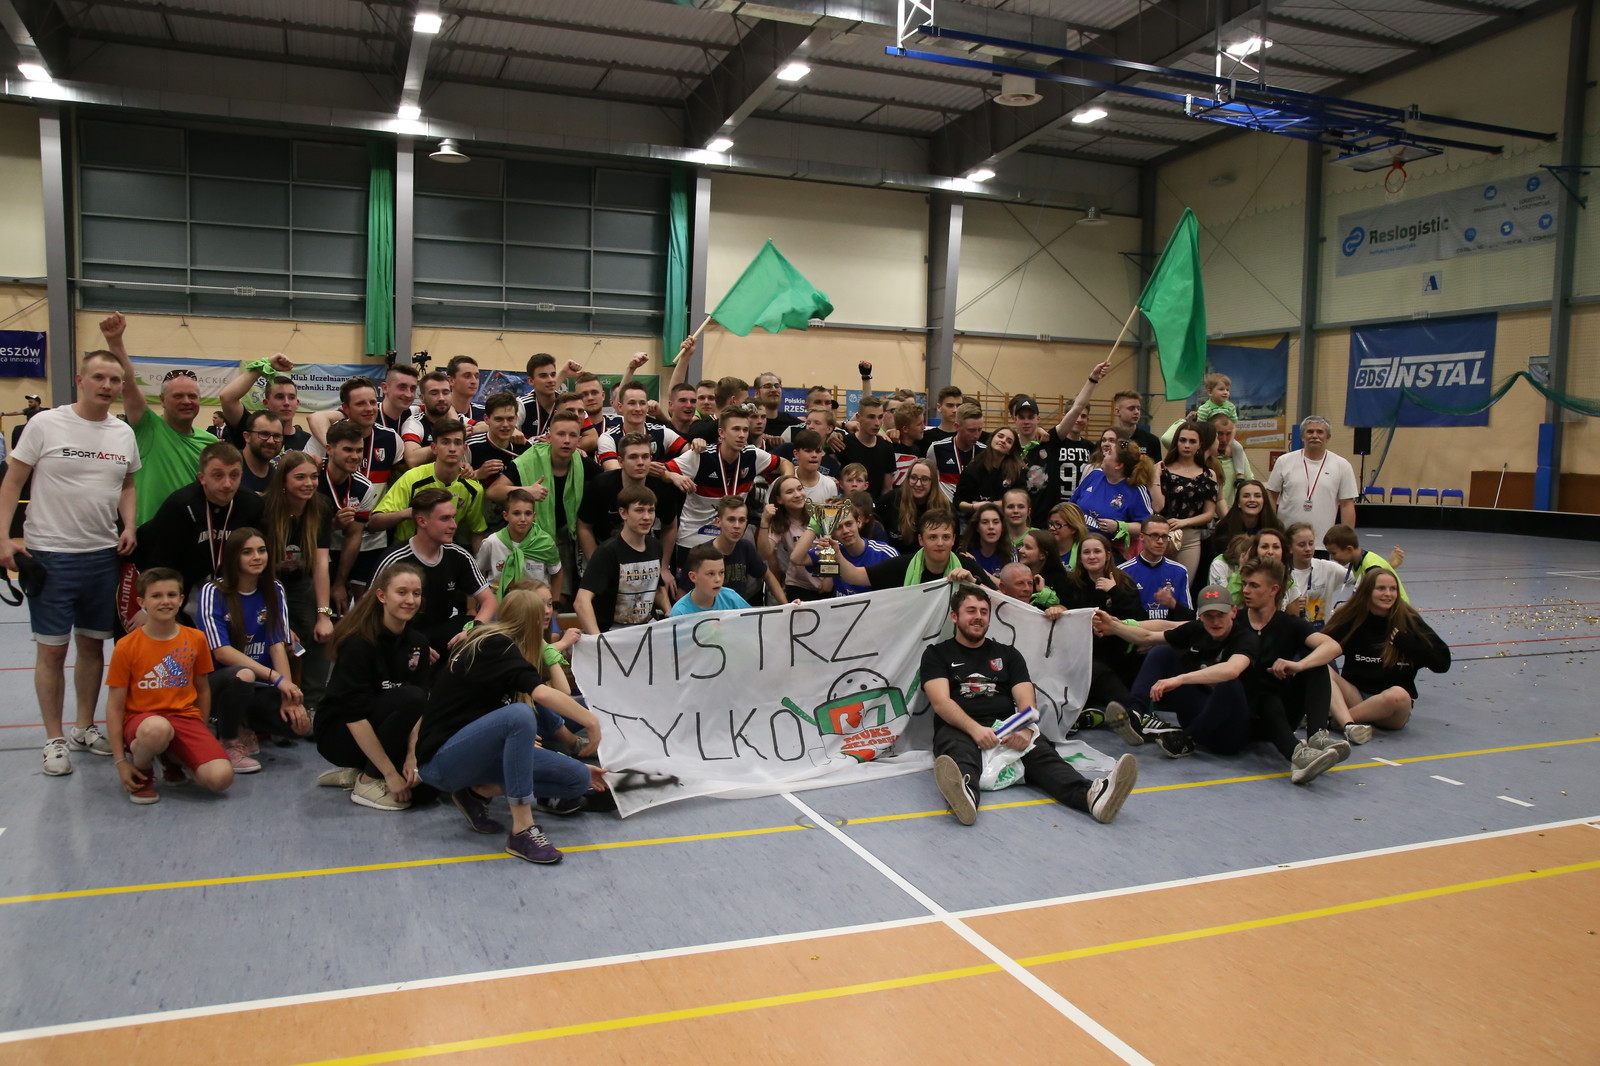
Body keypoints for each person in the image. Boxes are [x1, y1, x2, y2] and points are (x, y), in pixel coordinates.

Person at [0, 347, 139, 776]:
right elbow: (13, 482)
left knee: (93, 646)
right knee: (52, 651)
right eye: (99, 377)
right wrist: (2, 538)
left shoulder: (123, 432)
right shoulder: (45, 424)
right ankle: (54, 738)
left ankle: (83, 728)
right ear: (80, 381)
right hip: (50, 555)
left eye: (114, 380)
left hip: (102, 556)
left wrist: (129, 525)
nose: (107, 386)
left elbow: (128, 484)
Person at [415, 589, 608, 864]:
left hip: (476, 755)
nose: (548, 614)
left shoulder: (511, 650)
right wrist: (591, 721)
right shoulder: (494, 643)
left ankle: (476, 793)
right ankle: (522, 830)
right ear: (532, 621)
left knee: (577, 778)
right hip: (441, 762)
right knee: (519, 715)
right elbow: (542, 694)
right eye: (543, 611)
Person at [924, 584, 1137, 826]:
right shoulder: (937, 654)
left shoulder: (1008, 654)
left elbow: (1027, 700)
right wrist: (975, 730)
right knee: (958, 752)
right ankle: (965, 795)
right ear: (955, 616)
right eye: (971, 611)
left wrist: (1024, 729)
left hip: (1006, 725)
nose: (978, 617)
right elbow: (941, 702)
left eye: (984, 612)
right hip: (960, 727)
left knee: (1043, 755)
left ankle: (1092, 797)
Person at [105, 567, 232, 803]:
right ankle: (142, 769)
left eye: (171, 595)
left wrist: (201, 729)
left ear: (181, 599)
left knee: (220, 778)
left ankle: (170, 758)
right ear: (142, 602)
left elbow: (202, 689)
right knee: (157, 730)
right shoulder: (126, 646)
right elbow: (114, 706)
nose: (165, 601)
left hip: (184, 718)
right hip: (143, 722)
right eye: (156, 596)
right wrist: (120, 761)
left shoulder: (195, 639)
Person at [314, 562, 431, 811]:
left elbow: (420, 709)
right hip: (340, 733)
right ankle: (367, 780)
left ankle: (357, 772)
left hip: (382, 725)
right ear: (381, 596)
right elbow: (354, 716)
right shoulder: (359, 643)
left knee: (425, 791)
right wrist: (389, 773)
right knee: (411, 697)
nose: (410, 600)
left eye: (416, 593)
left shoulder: (418, 643)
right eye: (401, 592)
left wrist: (413, 756)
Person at [1102, 583, 1258, 758]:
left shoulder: (1246, 638)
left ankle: (1186, 738)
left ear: (1233, 612)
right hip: (1196, 713)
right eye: (1209, 616)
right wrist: (1114, 627)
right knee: (1162, 651)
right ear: (1200, 616)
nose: (1215, 622)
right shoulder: (1197, 630)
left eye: (1220, 615)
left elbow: (1232, 670)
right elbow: (1148, 636)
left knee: (1229, 684)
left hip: (1229, 732)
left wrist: (1180, 679)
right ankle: (1136, 715)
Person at [197, 527, 308, 773]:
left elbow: (277, 645)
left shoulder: (274, 589)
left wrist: (289, 696)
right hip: (220, 682)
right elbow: (221, 652)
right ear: (233, 557)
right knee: (242, 676)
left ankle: (245, 722)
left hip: (261, 683)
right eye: (247, 552)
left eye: (261, 550)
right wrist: (276, 678)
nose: (257, 557)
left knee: (297, 726)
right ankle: (229, 741)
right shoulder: (213, 591)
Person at [1233, 557, 1349, 783]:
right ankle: (1297, 754)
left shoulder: (1289, 623)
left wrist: (1298, 665)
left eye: (1254, 585)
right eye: (1245, 584)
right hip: (1248, 712)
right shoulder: (1234, 621)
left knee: (1316, 665)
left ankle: (1317, 737)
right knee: (1264, 692)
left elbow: (1332, 647)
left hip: (1283, 713)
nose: (1246, 590)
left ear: (1273, 590)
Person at [98, 313, 209, 525]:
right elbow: (128, 382)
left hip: (193, 534)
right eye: (178, 396)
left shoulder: (209, 442)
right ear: (162, 400)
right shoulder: (147, 426)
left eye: (192, 396)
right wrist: (115, 341)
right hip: (148, 533)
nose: (186, 401)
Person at [136, 441, 265, 619]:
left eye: (234, 475)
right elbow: (161, 564)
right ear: (202, 477)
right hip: (181, 582)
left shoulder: (252, 504)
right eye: (218, 475)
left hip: (228, 584)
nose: (227, 484)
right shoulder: (180, 505)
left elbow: (258, 557)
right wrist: (148, 609)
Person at [1323, 569, 1449, 743]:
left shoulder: (1409, 620)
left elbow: (1443, 663)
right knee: (1321, 668)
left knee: (1399, 695)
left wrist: (1408, 644)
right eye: (1381, 588)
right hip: (1356, 696)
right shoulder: (1352, 619)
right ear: (1367, 591)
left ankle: (1336, 721)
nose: (1388, 594)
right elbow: (1319, 645)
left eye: (1393, 589)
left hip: (1391, 709)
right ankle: (1349, 724)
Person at [375, 488, 497, 655]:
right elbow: (370, 612)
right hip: (402, 635)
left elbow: (489, 601)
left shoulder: (458, 555)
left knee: (481, 631)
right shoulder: (395, 559)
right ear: (422, 521)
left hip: (441, 632)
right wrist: (413, 643)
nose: (454, 525)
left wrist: (472, 630)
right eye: (445, 519)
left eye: (453, 517)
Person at [661, 406, 786, 563]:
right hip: (695, 538)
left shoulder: (752, 455)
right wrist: (673, 476)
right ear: (721, 433)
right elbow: (661, 471)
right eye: (736, 429)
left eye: (745, 430)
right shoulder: (700, 456)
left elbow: (784, 463)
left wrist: (784, 485)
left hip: (730, 537)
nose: (741, 435)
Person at [262, 451, 335, 707]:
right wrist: (282, 623)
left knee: (321, 632)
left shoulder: (321, 507)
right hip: (267, 584)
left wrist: (324, 615)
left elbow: (321, 564)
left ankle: (313, 703)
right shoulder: (265, 509)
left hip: (300, 582)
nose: (309, 483)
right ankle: (274, 703)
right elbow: (261, 569)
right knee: (278, 638)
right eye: (300, 477)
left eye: (314, 477)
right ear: (283, 480)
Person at [504, 409, 594, 605]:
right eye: (561, 434)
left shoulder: (582, 462)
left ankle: (557, 611)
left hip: (565, 536)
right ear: (549, 437)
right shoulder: (529, 460)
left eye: (572, 435)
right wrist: (526, 490)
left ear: (579, 440)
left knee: (560, 596)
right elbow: (494, 491)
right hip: (527, 534)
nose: (566, 440)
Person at [1071, 532, 1146, 743]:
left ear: (1108, 555)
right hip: (1088, 656)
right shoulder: (1073, 585)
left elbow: (1140, 619)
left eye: (1097, 551)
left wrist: (1114, 592)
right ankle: (1132, 715)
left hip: (1120, 653)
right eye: (1086, 552)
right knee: (1095, 668)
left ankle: (1122, 714)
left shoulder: (1124, 583)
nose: (1092, 556)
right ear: (1080, 557)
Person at [371, 418, 488, 549]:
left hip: (444, 551)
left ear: (464, 448)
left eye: (457, 443)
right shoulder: (413, 478)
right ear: (434, 448)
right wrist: (409, 513)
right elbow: (375, 522)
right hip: (405, 551)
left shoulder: (473, 488)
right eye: (445, 442)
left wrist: (479, 561)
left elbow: (477, 531)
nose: (452, 449)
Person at [579, 432, 682, 578]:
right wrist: (596, 565)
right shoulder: (601, 485)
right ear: (621, 461)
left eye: (645, 457)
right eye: (633, 457)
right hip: (602, 547)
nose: (640, 462)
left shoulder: (661, 488)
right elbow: (584, 526)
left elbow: (670, 526)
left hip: (642, 549)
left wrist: (663, 567)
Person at [1023, 361, 1110, 526]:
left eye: (1084, 416)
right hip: (1047, 510)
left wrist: (1093, 379)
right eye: (1021, 418)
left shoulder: (1090, 447)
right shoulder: (1048, 441)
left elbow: (1078, 407)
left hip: (1078, 510)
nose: (1079, 419)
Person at [575, 484, 668, 633]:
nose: (647, 517)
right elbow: (581, 601)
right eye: (639, 510)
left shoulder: (656, 546)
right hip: (614, 633)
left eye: (651, 510)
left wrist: (670, 614)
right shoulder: (607, 552)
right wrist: (598, 640)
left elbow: (657, 588)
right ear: (623, 513)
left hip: (648, 631)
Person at [826, 511, 993, 590]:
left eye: (946, 537)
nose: (940, 543)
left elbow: (1000, 599)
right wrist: (837, 553)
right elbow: (854, 576)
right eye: (932, 537)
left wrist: (973, 582)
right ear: (921, 540)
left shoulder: (966, 565)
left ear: (954, 539)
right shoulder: (902, 566)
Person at [319, 419, 385, 608]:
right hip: (306, 552)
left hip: (339, 553)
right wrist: (332, 525)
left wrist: (340, 583)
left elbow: (354, 535)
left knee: (339, 609)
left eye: (359, 450)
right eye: (348, 450)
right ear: (329, 449)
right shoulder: (313, 478)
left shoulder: (364, 487)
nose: (355, 456)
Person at [1265, 415, 1358, 547]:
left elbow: (1347, 504)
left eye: (1320, 432)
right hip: (1287, 541)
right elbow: (1271, 495)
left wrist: (1347, 540)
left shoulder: (1342, 465)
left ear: (1328, 437)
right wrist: (1271, 530)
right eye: (1310, 432)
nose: (1315, 435)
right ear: (1302, 436)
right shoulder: (1284, 461)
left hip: (1323, 543)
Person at [306, 376, 404, 490]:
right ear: (345, 408)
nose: (369, 408)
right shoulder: (328, 436)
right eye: (360, 403)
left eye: (373, 402)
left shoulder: (391, 439)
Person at [1151, 421, 1218, 582]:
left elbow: (1209, 514)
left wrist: (1184, 522)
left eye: (1192, 441)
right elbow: (1157, 506)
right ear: (1176, 442)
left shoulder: (1209, 474)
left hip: (1191, 538)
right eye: (1183, 440)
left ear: (1200, 445)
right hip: (1162, 535)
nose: (1187, 445)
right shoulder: (1162, 470)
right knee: (1157, 584)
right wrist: (1154, 475)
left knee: (1183, 585)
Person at [1071, 438, 1154, 552]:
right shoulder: (1094, 475)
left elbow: (1146, 527)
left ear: (1118, 465)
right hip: (1077, 542)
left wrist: (1119, 526)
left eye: (1109, 453)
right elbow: (1071, 505)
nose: (1104, 454)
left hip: (1110, 550)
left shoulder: (1136, 491)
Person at [705, 494, 784, 606]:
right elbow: (684, 594)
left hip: (739, 611)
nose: (737, 526)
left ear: (746, 523)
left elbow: (768, 576)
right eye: (731, 520)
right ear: (718, 522)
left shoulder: (745, 547)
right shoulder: (703, 554)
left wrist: (787, 606)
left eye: (741, 520)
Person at [219, 353, 309, 452]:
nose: (286, 402)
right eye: (279, 397)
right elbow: (227, 398)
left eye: (291, 397)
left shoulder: (307, 441)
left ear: (297, 403)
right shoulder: (252, 428)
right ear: (266, 403)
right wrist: (265, 365)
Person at [762, 474, 829, 602]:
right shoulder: (780, 523)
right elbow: (765, 553)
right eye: (789, 492)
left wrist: (829, 577)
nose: (798, 495)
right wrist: (764, 522)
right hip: (799, 585)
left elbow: (835, 547)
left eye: (800, 489)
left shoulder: (820, 512)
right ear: (779, 499)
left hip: (828, 581)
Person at [595, 380, 690, 469]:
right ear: (620, 407)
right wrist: (653, 470)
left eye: (642, 403)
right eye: (632, 403)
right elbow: (614, 471)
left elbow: (691, 454)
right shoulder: (609, 438)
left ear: (647, 407)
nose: (638, 408)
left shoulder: (662, 432)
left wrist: (696, 444)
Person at [806, 505, 896, 598]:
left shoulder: (884, 554)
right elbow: (798, 558)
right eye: (838, 527)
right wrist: (813, 526)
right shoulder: (832, 551)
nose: (845, 531)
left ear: (859, 522)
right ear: (832, 531)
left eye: (849, 524)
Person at [1117, 513, 1191, 621]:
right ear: (1141, 537)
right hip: (1136, 630)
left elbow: (1189, 617)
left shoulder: (1180, 571)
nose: (1160, 541)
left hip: (1170, 630)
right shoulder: (1123, 571)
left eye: (1164, 536)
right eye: (1154, 535)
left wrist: (1173, 604)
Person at [477, 488, 551, 595]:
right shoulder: (492, 542)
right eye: (516, 513)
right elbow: (475, 575)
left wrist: (554, 601)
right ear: (505, 515)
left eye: (528, 513)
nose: (523, 519)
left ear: (534, 516)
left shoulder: (545, 542)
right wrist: (477, 605)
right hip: (500, 600)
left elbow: (557, 572)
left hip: (536, 601)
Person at [876, 457, 949, 556]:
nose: (918, 484)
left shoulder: (944, 507)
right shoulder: (891, 500)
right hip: (895, 559)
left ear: (933, 482)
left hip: (930, 560)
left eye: (924, 479)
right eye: (913, 478)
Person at [1283, 521, 1350, 627]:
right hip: (1291, 632)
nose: (1308, 549)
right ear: (1290, 548)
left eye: (1311, 543)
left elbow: (1363, 580)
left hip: (1321, 632)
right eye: (1301, 545)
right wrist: (1289, 607)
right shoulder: (1282, 573)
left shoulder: (1327, 569)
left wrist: (1350, 605)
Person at [466, 392, 528, 501]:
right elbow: (455, 485)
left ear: (516, 419)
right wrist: (478, 474)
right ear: (486, 419)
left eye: (510, 419)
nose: (505, 425)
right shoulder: (471, 447)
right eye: (499, 419)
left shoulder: (525, 448)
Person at [1323, 524, 1408, 602]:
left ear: (1349, 549)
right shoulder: (1358, 561)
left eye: (1334, 553)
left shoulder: (1370, 566)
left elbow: (1380, 597)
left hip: (1396, 609)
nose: (1332, 558)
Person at [953, 426, 1022, 520]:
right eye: (1000, 436)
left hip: (1007, 521)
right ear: (991, 439)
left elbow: (1022, 499)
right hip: (976, 520)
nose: (1003, 441)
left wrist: (1000, 504)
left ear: (1010, 451)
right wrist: (974, 507)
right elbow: (958, 502)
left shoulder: (1017, 472)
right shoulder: (973, 469)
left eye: (1009, 441)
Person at [671, 542, 752, 615]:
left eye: (721, 572)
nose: (718, 579)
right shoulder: (680, 612)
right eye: (711, 574)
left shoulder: (731, 598)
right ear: (693, 577)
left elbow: (752, 620)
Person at [926, 402, 986, 501]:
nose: (976, 435)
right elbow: (929, 480)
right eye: (971, 430)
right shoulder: (937, 448)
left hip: (973, 507)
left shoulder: (985, 452)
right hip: (945, 508)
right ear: (956, 426)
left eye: (979, 430)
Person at [838, 395, 897, 494]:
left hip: (876, 503)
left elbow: (887, 489)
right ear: (858, 417)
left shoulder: (887, 447)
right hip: (848, 502)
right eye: (871, 417)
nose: (877, 423)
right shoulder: (843, 444)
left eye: (880, 417)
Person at [400, 369, 458, 467]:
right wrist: (447, 439)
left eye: (445, 392)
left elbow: (484, 425)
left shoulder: (459, 418)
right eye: (434, 393)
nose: (441, 398)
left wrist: (470, 429)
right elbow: (412, 459)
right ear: (422, 398)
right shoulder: (414, 422)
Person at [959, 501, 1011, 581]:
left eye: (996, 522)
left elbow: (1009, 586)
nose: (991, 527)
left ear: (1002, 527)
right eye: (985, 522)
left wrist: (976, 567)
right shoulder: (966, 553)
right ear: (977, 527)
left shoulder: (1011, 553)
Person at [236, 409, 285, 494]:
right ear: (247, 436)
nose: (271, 441)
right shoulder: (228, 469)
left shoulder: (277, 480)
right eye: (264, 434)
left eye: (277, 436)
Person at [789, 429, 840, 506]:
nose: (814, 455)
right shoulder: (783, 483)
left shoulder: (830, 485)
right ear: (796, 454)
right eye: (808, 451)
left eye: (818, 451)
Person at [1110, 389, 1162, 461]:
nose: (1136, 412)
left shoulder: (1151, 441)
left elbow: (1157, 466)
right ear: (1118, 412)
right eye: (1131, 408)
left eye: (1138, 408)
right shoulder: (1109, 439)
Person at [888, 401, 928, 487]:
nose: (924, 427)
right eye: (919, 424)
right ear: (905, 429)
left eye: (923, 423)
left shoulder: (916, 449)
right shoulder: (889, 447)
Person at [444, 355, 486, 429]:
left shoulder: (484, 412)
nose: (474, 381)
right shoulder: (440, 412)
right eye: (467, 376)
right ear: (451, 380)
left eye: (476, 377)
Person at [1045, 502, 1089, 570]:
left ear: (1073, 528)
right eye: (1050, 524)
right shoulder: (1043, 550)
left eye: (1058, 524)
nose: (1052, 528)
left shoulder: (1084, 552)